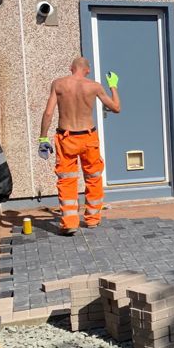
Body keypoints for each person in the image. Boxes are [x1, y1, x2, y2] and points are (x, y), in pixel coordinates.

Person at [37, 58, 120, 235]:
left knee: (67, 180)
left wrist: (42, 138)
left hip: (66, 138)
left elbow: (48, 113)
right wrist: (113, 85)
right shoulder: (94, 86)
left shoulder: (58, 84)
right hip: (88, 137)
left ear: (71, 68)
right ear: (87, 71)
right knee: (94, 177)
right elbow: (116, 107)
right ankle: (92, 219)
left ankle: (70, 223)